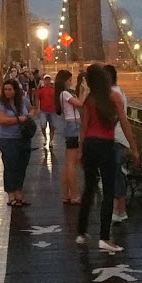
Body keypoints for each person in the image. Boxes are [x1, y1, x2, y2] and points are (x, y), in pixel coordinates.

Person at [76, 63, 138, 252]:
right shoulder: (114, 97)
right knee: (108, 191)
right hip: (106, 145)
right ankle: (104, 237)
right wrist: (134, 149)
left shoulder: (90, 99)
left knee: (89, 188)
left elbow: (84, 127)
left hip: (89, 144)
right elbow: (125, 124)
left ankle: (81, 232)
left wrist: (80, 150)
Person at [0, 77, 34, 207]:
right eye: (5, 89)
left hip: (23, 138)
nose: (7, 92)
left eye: (10, 89)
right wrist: (18, 120)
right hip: (8, 139)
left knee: (21, 167)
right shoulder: (1, 103)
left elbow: (33, 109)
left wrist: (29, 116)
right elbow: (1, 119)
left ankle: (19, 193)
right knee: (10, 167)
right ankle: (11, 195)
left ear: (15, 90)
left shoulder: (23, 101)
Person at [106, 63, 131, 224]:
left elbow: (113, 118)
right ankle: (120, 209)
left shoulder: (113, 94)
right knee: (117, 174)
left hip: (115, 139)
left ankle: (119, 210)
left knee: (116, 174)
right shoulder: (119, 91)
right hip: (119, 138)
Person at [54, 68, 81, 204]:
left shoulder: (61, 94)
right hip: (73, 126)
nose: (71, 83)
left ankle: (66, 194)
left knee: (68, 163)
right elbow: (80, 104)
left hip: (70, 126)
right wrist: (85, 91)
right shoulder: (65, 93)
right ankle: (75, 195)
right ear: (65, 81)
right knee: (72, 163)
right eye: (70, 80)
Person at [36, 74, 56, 152]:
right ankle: (45, 138)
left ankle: (50, 141)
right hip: (43, 110)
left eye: (48, 79)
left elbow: (56, 99)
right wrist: (37, 108)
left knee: (52, 126)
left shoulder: (53, 89)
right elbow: (37, 98)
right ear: (44, 80)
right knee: (43, 125)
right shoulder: (41, 89)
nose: (47, 81)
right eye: (46, 79)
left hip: (52, 110)